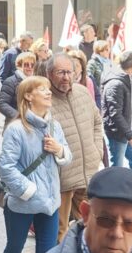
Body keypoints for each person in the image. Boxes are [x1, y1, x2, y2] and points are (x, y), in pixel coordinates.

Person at [0, 76, 71, 253]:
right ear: (28, 96)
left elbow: (67, 156)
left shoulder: (54, 126)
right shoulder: (16, 129)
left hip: (50, 203)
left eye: (48, 89)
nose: (49, 93)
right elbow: (6, 168)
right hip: (23, 203)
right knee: (14, 252)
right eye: (42, 89)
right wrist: (29, 191)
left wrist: (59, 150)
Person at [44, 54, 104, 242]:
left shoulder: (83, 92)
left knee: (89, 226)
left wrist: (97, 151)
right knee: (59, 231)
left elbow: (97, 122)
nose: (66, 77)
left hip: (88, 173)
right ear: (49, 74)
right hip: (63, 177)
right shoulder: (44, 98)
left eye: (69, 72)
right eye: (60, 72)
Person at [102, 51, 132, 172]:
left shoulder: (129, 78)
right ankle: (116, 184)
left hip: (131, 129)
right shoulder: (116, 83)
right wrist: (130, 136)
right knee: (116, 169)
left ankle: (126, 183)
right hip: (117, 133)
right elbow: (115, 114)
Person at [0, 52, 37, 127]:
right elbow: (2, 104)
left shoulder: (37, 81)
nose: (30, 67)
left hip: (33, 124)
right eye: (26, 64)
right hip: (15, 124)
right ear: (19, 65)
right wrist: (19, 116)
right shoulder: (10, 81)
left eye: (32, 65)